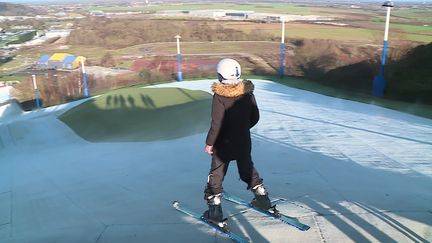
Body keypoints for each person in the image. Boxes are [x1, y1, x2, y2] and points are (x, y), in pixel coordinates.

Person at [202, 58, 272, 226]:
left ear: (220, 75)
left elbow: (216, 123)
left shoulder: (219, 96)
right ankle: (263, 201)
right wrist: (241, 129)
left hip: (223, 144)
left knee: (217, 174)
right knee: (247, 169)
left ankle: (215, 213)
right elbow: (255, 117)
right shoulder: (248, 93)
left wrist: (210, 143)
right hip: (243, 141)